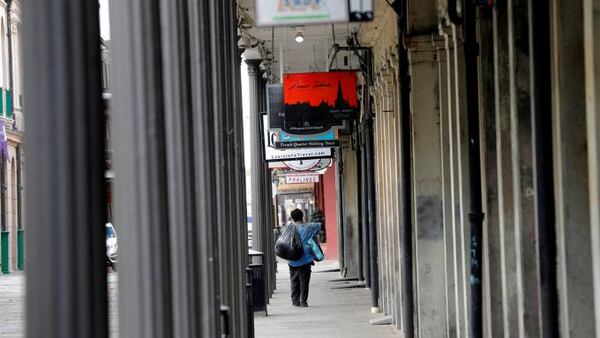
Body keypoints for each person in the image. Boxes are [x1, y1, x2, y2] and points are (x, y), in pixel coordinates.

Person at [287, 208, 321, 307]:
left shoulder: (289, 228)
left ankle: (295, 301)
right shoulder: (310, 227)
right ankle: (303, 301)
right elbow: (320, 226)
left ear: (292, 218)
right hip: (305, 258)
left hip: (292, 258)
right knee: (304, 281)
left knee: (294, 280)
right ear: (303, 216)